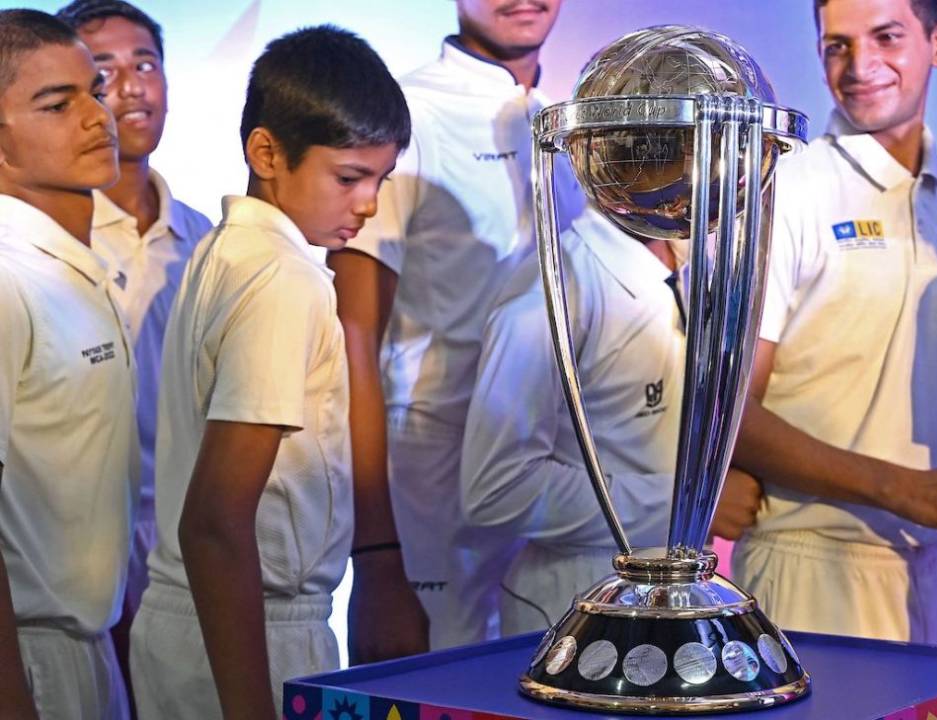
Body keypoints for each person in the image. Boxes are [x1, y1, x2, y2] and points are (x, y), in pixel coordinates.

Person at [720, 0, 937, 645]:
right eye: (837, 45)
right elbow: (727, 411)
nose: (860, 66)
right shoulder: (787, 187)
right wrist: (905, 490)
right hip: (809, 566)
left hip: (933, 569)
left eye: (887, 37)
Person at [128, 26, 411, 719]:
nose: (369, 203)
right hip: (246, 630)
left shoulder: (227, 251)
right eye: (349, 177)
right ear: (267, 153)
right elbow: (217, 521)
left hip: (209, 620)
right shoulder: (285, 278)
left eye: (380, 179)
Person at [330, 0, 582, 648]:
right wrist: (378, 555)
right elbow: (351, 334)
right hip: (432, 486)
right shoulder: (410, 111)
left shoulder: (568, 123)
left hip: (553, 486)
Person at [55, 1, 213, 703]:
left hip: (188, 534)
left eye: (144, 64)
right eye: (102, 71)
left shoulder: (205, 234)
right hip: (80, 539)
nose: (130, 88)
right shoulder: (53, 237)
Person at [461, 209, 687, 633]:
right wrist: (678, 507)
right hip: (580, 597)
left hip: (679, 589)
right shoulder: (555, 290)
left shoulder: (701, 260)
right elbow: (498, 489)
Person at [0, 9, 134, 718]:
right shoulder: (7, 278)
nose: (97, 116)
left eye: (95, 91)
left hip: (91, 646)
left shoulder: (79, 263)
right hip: (27, 660)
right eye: (58, 103)